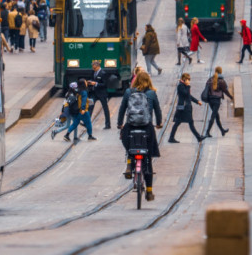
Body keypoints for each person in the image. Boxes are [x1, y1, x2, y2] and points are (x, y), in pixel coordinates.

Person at [117, 72, 162, 201]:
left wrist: (120, 124)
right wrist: (159, 123)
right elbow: (158, 111)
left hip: (130, 127)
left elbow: (122, 109)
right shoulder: (152, 94)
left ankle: (130, 163)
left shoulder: (128, 92)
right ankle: (149, 191)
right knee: (147, 159)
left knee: (127, 143)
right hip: (147, 128)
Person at [169, 73, 205, 143]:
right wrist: (188, 86)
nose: (189, 81)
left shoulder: (184, 85)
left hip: (185, 107)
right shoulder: (180, 86)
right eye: (188, 79)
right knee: (186, 122)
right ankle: (198, 137)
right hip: (183, 108)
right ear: (184, 79)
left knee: (180, 122)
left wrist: (197, 101)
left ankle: (171, 138)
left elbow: (189, 96)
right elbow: (186, 94)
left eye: (189, 79)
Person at [203, 67, 234, 137]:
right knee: (213, 116)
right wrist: (231, 97)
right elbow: (225, 90)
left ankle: (222, 130)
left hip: (210, 100)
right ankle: (207, 132)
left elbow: (206, 88)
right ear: (221, 71)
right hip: (216, 101)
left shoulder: (210, 79)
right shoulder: (221, 81)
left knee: (216, 116)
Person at [88, 60, 111, 129]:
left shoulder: (103, 73)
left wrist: (96, 84)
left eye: (94, 68)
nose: (93, 69)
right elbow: (92, 78)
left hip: (102, 93)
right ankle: (87, 122)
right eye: (93, 68)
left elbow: (105, 84)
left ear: (98, 67)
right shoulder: (93, 72)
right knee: (90, 107)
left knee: (105, 108)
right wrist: (90, 82)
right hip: (94, 93)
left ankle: (108, 124)